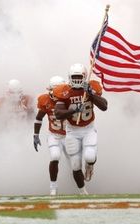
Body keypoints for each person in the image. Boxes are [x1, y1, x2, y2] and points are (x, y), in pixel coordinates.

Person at [53, 63, 108, 195]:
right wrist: (73, 111)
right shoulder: (64, 91)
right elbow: (58, 113)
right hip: (72, 130)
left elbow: (104, 106)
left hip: (89, 128)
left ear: (84, 76)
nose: (77, 79)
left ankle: (90, 166)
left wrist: (91, 94)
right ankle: (83, 192)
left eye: (79, 76)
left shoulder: (91, 87)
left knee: (89, 156)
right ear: (69, 77)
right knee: (75, 165)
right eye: (74, 77)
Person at [33, 76, 67, 196]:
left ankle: (76, 183)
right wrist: (35, 134)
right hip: (55, 135)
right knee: (55, 156)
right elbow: (39, 118)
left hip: (71, 135)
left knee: (75, 162)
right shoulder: (45, 100)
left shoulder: (70, 98)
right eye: (54, 90)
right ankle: (53, 187)